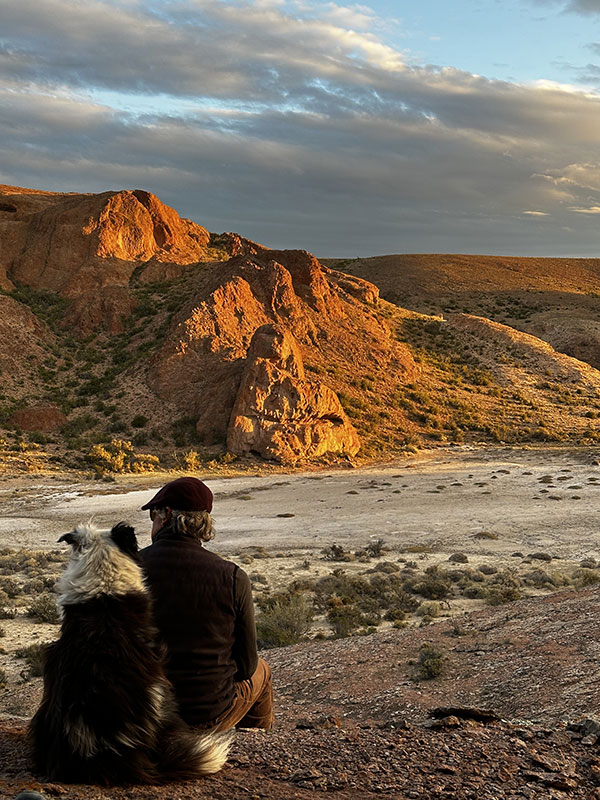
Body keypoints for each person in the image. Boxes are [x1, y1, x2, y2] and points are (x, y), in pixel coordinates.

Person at [140, 476, 273, 732]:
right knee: (262, 672)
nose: (152, 524)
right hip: (207, 716)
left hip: (142, 715)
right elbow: (246, 666)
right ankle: (254, 742)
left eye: (153, 516)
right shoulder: (233, 576)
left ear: (166, 515)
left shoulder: (129, 568)